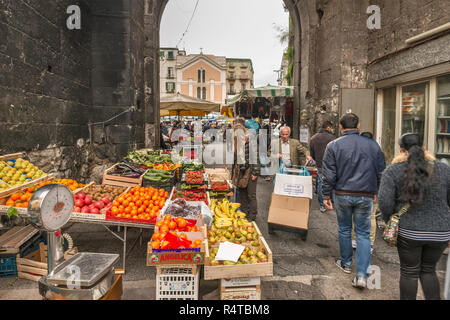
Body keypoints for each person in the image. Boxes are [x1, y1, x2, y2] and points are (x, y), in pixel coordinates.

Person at [378, 133, 450, 300]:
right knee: (429, 270)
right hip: (440, 232)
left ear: (401, 150)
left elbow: (385, 204)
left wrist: (391, 219)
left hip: (409, 231)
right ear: (424, 148)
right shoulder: (445, 169)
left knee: (409, 272)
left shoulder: (393, 171)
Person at [322, 113, 385, 289]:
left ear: (341, 128)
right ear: (358, 127)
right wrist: (376, 191)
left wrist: (325, 196)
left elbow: (328, 175)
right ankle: (362, 275)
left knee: (344, 229)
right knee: (363, 233)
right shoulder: (373, 145)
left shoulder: (333, 145)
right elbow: (381, 171)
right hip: (365, 194)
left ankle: (346, 263)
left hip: (342, 194)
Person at [351, 131, 383, 253]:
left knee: (355, 215)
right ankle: (369, 244)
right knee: (370, 217)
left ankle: (355, 240)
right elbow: (381, 173)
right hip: (372, 190)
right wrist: (376, 191)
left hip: (356, 189)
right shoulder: (378, 152)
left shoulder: (355, 152)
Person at [231, 118, 260, 222]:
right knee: (242, 193)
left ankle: (252, 216)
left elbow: (256, 157)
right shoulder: (237, 143)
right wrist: (233, 174)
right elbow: (235, 161)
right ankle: (243, 214)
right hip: (240, 171)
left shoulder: (250, 141)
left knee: (251, 194)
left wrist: (255, 172)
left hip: (250, 171)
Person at [309, 121, 335, 212]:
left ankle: (322, 204)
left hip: (319, 163)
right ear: (328, 128)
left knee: (320, 182)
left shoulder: (313, 138)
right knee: (328, 182)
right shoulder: (332, 138)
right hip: (330, 164)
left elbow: (311, 153)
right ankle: (328, 201)